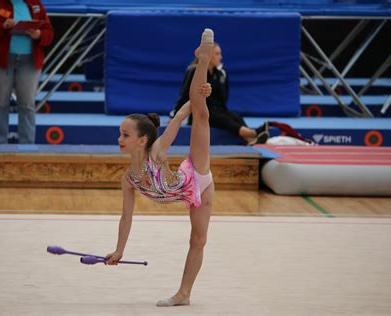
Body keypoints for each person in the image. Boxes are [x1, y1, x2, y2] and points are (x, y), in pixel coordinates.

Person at [105, 29, 216, 307]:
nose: (119, 139)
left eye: (125, 135)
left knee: (202, 117)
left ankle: (202, 61)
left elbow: (180, 116)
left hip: (197, 177)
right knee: (197, 240)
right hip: (186, 195)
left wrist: (199, 96)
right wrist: (119, 250)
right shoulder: (129, 179)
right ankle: (184, 295)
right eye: (120, 134)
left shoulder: (156, 151)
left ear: (142, 140)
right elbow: (126, 218)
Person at [0, 0, 54, 144]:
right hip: (0, 61)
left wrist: (38, 35)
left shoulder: (35, 3)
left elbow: (49, 32)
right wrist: (3, 26)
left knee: (27, 105)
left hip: (29, 62)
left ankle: (27, 148)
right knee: (0, 103)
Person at [171, 42, 269, 145]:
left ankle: (250, 140)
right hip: (200, 112)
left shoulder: (219, 73)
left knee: (235, 117)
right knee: (223, 119)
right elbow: (184, 95)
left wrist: (223, 79)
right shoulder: (194, 70)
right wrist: (174, 116)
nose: (221, 57)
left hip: (216, 110)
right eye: (217, 54)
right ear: (208, 55)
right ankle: (254, 133)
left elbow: (223, 98)